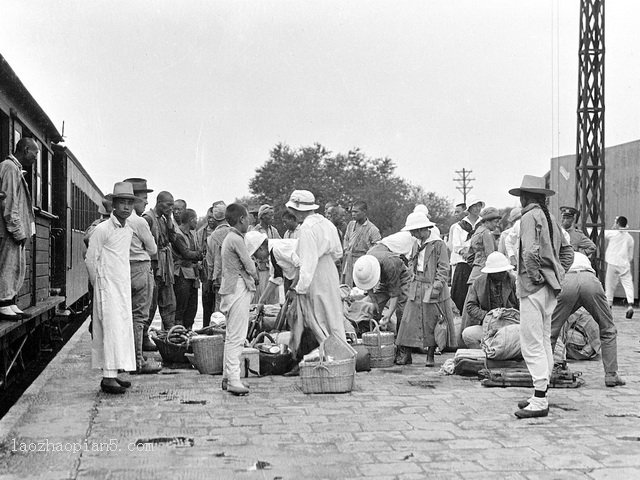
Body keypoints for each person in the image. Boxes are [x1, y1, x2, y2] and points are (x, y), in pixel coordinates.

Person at [509, 175, 573, 419]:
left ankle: (539, 399)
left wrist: (534, 276)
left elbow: (530, 252)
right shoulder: (551, 218)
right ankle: (541, 392)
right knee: (544, 340)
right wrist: (556, 273)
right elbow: (568, 251)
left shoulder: (527, 217)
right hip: (550, 288)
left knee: (531, 343)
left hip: (533, 287)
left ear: (526, 197)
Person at [85, 182, 138, 394]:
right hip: (106, 287)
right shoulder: (102, 229)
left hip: (121, 286)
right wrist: (98, 284)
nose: (126, 207)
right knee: (110, 328)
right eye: (122, 202)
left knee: (120, 328)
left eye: (129, 203)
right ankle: (107, 377)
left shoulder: (128, 229)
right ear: (113, 205)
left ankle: (114, 373)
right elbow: (91, 259)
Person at [549, 252, 625, 387]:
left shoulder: (559, 253)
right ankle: (611, 375)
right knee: (608, 329)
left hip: (567, 281)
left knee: (550, 332)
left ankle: (545, 373)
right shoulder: (582, 256)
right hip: (590, 281)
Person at [286, 190, 346, 355]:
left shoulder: (307, 228)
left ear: (298, 210)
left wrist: (301, 288)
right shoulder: (327, 223)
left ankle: (327, 355)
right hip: (330, 270)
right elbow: (338, 253)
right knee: (333, 314)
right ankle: (341, 355)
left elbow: (308, 262)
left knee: (318, 317)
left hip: (316, 273)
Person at [395, 212, 455, 367]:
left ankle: (430, 355)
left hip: (432, 286)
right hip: (417, 285)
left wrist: (437, 286)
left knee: (432, 321)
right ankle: (406, 354)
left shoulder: (438, 244)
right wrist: (411, 275)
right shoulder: (416, 244)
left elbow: (443, 268)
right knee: (409, 321)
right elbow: (411, 261)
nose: (413, 234)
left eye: (414, 231)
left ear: (423, 229)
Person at [353, 231, 413, 357]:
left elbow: (394, 294)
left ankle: (403, 349)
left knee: (401, 311)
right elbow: (368, 285)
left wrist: (387, 316)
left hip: (401, 277)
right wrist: (375, 304)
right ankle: (370, 338)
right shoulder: (366, 262)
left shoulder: (390, 263)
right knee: (369, 306)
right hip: (384, 277)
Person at [220, 203, 259, 396]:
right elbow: (250, 266)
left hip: (230, 287)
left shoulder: (230, 237)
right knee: (237, 336)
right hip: (237, 288)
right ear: (242, 219)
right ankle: (234, 379)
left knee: (231, 335)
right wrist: (256, 272)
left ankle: (228, 376)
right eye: (248, 218)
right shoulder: (236, 238)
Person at [122, 178, 160, 372]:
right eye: (144, 198)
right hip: (140, 269)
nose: (146, 203)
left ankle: (124, 361)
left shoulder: (116, 221)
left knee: (124, 317)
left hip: (121, 270)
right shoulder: (139, 221)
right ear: (134, 199)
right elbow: (153, 249)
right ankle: (138, 361)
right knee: (139, 318)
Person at [0, 138, 37, 320]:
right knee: (8, 264)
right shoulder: (9, 167)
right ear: (25, 149)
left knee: (15, 266)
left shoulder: (15, 169)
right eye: (34, 153)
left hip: (14, 228)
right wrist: (16, 229)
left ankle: (10, 301)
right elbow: (8, 201)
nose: (35, 158)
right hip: (8, 229)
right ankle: (3, 302)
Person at [460, 252, 518, 348]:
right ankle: (484, 357)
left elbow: (521, 306)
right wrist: (487, 316)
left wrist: (508, 315)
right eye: (500, 272)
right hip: (488, 327)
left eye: (504, 271)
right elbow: (470, 306)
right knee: (468, 334)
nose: (503, 274)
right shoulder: (479, 282)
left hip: (510, 327)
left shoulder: (513, 281)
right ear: (491, 273)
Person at [143, 191, 177, 331]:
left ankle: (171, 334)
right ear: (159, 203)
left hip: (166, 268)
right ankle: (143, 337)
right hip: (154, 266)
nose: (171, 208)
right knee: (150, 304)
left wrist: (169, 220)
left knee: (169, 302)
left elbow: (173, 239)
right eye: (169, 205)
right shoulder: (148, 218)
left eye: (172, 205)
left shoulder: (164, 219)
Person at [450, 198, 484, 314]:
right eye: (475, 206)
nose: (478, 209)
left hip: (479, 263)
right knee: (461, 294)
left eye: (479, 206)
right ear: (469, 208)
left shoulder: (483, 223)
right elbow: (456, 246)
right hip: (464, 263)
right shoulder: (459, 226)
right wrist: (466, 253)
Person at [172, 208, 202, 330]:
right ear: (190, 220)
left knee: (192, 308)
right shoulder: (178, 235)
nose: (197, 222)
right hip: (181, 275)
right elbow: (186, 254)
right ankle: (179, 334)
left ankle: (188, 332)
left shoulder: (191, 234)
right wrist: (199, 254)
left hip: (192, 275)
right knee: (181, 307)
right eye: (196, 219)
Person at [342, 200, 381, 287]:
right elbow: (346, 238)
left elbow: (378, 248)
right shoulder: (351, 225)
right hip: (349, 260)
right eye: (352, 212)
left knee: (361, 287)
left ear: (364, 212)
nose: (353, 214)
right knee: (347, 287)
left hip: (363, 262)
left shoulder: (372, 229)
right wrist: (346, 249)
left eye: (356, 212)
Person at [198, 202, 224, 327]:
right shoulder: (201, 233)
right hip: (210, 274)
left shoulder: (213, 236)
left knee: (218, 308)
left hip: (215, 275)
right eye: (208, 217)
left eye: (213, 217)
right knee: (209, 305)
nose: (210, 220)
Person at [604, 215, 635, 319]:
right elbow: (630, 256)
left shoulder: (612, 234)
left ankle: (608, 306)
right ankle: (630, 305)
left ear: (617, 224)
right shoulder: (629, 238)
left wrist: (613, 227)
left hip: (612, 263)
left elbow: (597, 233)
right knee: (628, 284)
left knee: (610, 286)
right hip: (624, 264)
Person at [250, 204, 281, 304]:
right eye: (269, 215)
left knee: (272, 296)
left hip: (272, 267)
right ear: (262, 216)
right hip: (259, 268)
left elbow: (279, 245)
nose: (272, 218)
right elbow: (250, 251)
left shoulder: (274, 231)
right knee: (259, 295)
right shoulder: (254, 231)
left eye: (273, 215)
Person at [207, 203, 231, 315]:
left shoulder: (211, 238)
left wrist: (210, 279)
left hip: (219, 279)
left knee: (219, 309)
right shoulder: (235, 233)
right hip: (235, 278)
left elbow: (210, 263)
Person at [467, 207, 501, 285]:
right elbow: (491, 256)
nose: (497, 225)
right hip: (485, 272)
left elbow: (470, 257)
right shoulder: (487, 233)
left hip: (475, 272)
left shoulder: (477, 232)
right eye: (495, 222)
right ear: (487, 222)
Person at [447, 201, 468, 282]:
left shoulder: (474, 226)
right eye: (455, 212)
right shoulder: (454, 227)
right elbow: (450, 245)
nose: (456, 214)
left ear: (465, 212)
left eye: (458, 212)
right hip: (456, 261)